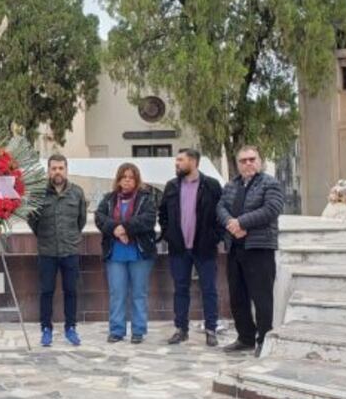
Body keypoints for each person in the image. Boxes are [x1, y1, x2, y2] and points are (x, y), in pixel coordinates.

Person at [217, 145, 283, 357]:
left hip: (259, 247)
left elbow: (271, 209)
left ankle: (264, 339)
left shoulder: (270, 183)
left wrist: (242, 223)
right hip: (235, 248)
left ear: (260, 161)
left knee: (261, 297)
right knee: (238, 296)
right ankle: (245, 337)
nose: (248, 163)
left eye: (252, 159)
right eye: (243, 160)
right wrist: (231, 223)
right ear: (237, 164)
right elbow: (220, 208)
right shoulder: (231, 185)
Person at [158, 148, 223, 347]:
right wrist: (169, 234)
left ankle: (211, 329)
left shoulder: (211, 185)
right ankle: (181, 329)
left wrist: (215, 237)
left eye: (180, 160)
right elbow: (163, 215)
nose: (176, 164)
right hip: (179, 248)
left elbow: (222, 212)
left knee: (209, 289)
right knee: (180, 289)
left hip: (204, 247)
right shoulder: (171, 186)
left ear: (194, 161)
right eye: (176, 160)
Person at [94, 163, 158, 344]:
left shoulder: (146, 198)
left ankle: (138, 330)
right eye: (124, 177)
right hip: (115, 254)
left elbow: (148, 219)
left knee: (139, 293)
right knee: (117, 293)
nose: (127, 180)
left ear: (136, 180)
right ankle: (117, 330)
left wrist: (125, 229)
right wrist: (115, 229)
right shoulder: (109, 199)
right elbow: (99, 218)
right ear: (119, 180)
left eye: (131, 177)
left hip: (139, 253)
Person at [28, 154, 86, 347]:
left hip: (69, 250)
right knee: (46, 291)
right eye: (54, 168)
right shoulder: (38, 194)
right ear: (49, 170)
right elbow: (32, 221)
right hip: (47, 251)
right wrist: (45, 236)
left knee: (71, 290)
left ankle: (71, 327)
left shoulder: (77, 192)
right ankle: (46, 328)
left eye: (61, 168)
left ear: (66, 169)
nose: (57, 172)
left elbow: (81, 221)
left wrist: (70, 237)